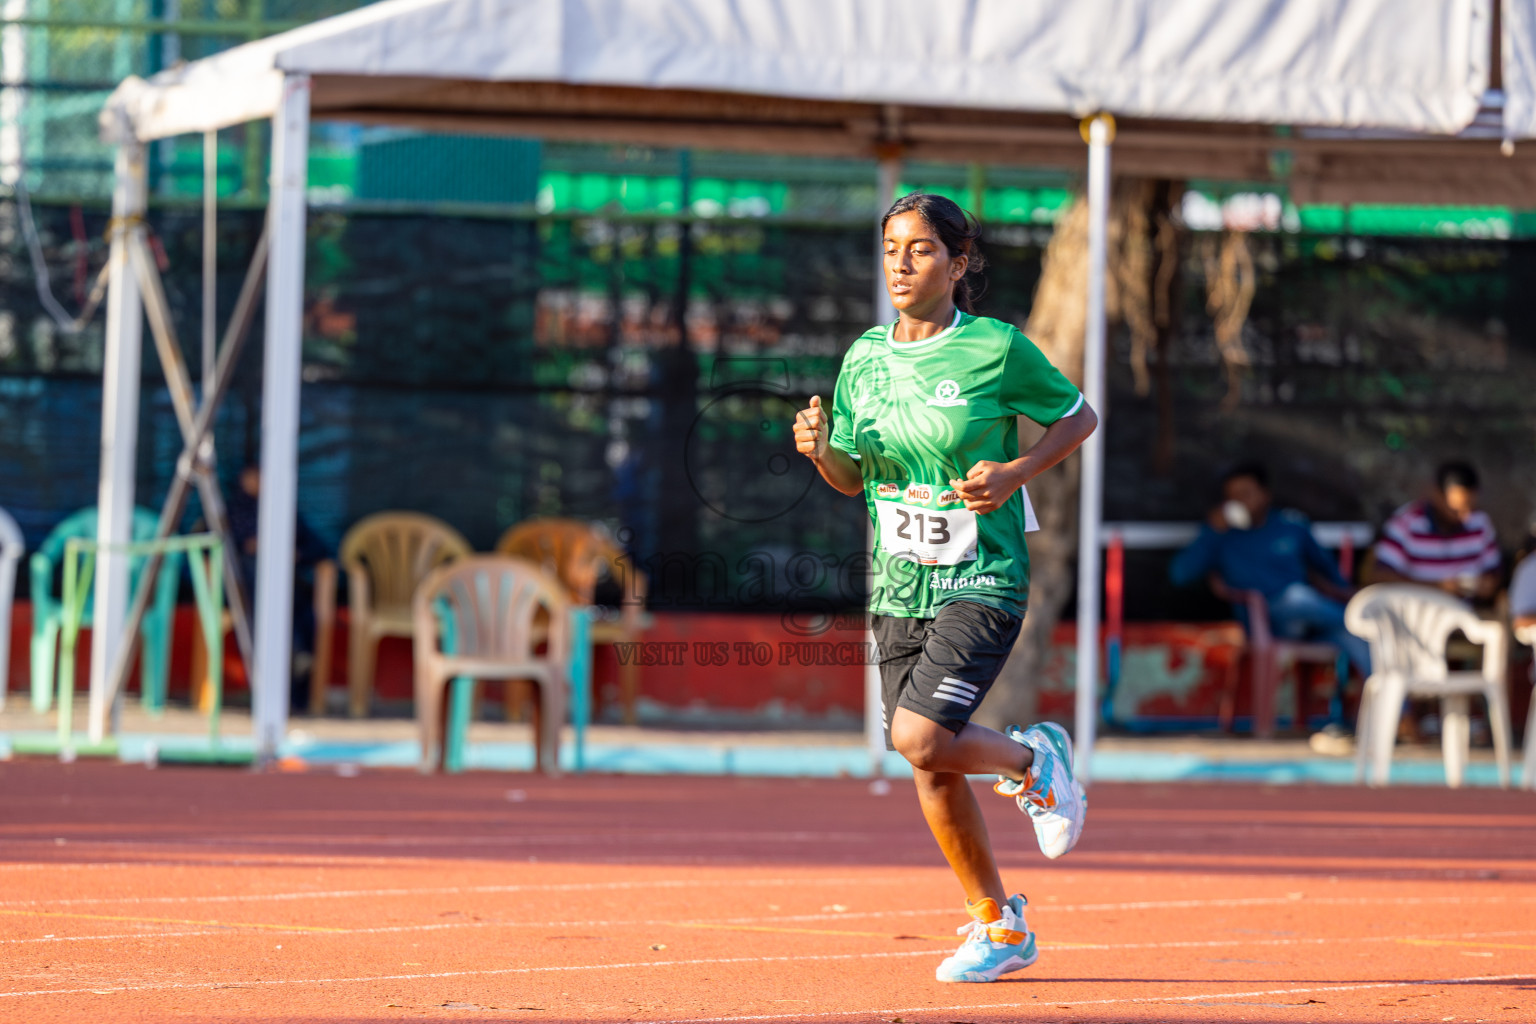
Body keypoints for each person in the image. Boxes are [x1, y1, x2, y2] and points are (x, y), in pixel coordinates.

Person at [792, 192, 1097, 984]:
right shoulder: (864, 358)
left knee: (920, 738)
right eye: (891, 247)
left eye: (920, 249)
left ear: (958, 265)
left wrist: (1016, 472)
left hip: (982, 575)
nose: (900, 262)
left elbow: (1077, 415)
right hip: (899, 584)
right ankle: (998, 926)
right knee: (928, 764)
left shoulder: (995, 349)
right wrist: (822, 451)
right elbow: (854, 478)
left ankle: (1033, 763)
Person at [1170, 462, 1370, 677]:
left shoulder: (1291, 525)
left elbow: (1328, 571)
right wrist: (1211, 533)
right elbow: (1179, 575)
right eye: (1232, 498)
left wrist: (1342, 592)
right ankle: (1367, 622)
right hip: (1262, 624)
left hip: (1310, 621)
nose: (1238, 503)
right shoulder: (1221, 534)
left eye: (1245, 494)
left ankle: (1398, 707)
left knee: (1357, 640)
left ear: (1265, 495)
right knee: (1296, 597)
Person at [1370, 461, 1502, 605]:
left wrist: (1488, 585)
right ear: (1437, 495)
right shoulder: (1406, 524)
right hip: (1416, 616)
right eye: (1456, 509)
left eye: (1470, 506)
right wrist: (1438, 587)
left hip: (1466, 616)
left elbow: (1495, 572)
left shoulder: (1480, 523)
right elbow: (1379, 577)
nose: (1466, 516)